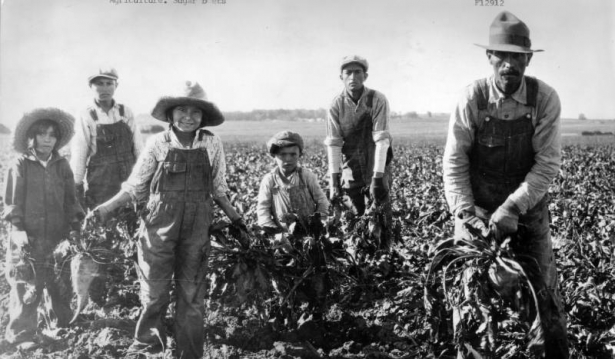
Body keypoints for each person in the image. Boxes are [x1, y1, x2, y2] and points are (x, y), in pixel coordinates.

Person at [90, 81, 247, 359]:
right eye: (182, 110)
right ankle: (147, 350)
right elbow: (135, 186)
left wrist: (237, 220)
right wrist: (105, 208)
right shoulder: (157, 143)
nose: (188, 117)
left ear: (203, 117)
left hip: (197, 228)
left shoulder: (212, 143)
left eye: (195, 112)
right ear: (171, 114)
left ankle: (189, 354)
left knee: (192, 294)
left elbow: (219, 188)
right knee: (154, 292)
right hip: (158, 226)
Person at [442, 11, 568, 358]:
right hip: (477, 207)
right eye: (503, 56)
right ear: (489, 57)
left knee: (543, 295)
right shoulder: (472, 98)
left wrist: (512, 207)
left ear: (528, 59)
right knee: (468, 295)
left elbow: (546, 165)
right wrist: (467, 213)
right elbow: (454, 162)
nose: (509, 64)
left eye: (518, 56)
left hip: (526, 209)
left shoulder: (544, 99)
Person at [2, 108, 82, 349]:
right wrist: (17, 228)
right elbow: (12, 201)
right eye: (42, 134)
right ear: (32, 137)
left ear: (58, 139)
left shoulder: (61, 165)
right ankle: (22, 334)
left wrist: (76, 225)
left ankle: (61, 325)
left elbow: (71, 200)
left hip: (57, 235)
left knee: (60, 281)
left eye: (52, 135)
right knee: (27, 283)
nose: (47, 139)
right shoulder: (21, 164)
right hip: (28, 236)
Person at [325, 55, 394, 217]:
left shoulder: (377, 99)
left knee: (380, 216)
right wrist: (334, 181)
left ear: (365, 76)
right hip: (351, 167)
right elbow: (334, 144)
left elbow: (382, 141)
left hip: (377, 164)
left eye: (357, 72)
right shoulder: (336, 104)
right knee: (354, 218)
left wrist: (377, 179)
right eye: (348, 73)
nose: (353, 77)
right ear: (341, 77)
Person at [70, 66, 142, 210]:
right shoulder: (86, 114)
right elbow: (80, 152)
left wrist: (143, 177)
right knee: (102, 222)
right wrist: (77, 185)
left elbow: (138, 148)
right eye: (99, 84)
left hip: (128, 177)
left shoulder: (125, 112)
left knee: (131, 219)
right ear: (91, 86)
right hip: (101, 180)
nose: (104, 89)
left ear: (116, 85)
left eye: (109, 83)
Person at [257, 130, 329, 234]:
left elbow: (322, 201)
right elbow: (263, 209)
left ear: (300, 154)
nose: (288, 159)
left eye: (293, 154)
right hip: (282, 235)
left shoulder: (307, 176)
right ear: (274, 156)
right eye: (282, 154)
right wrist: (273, 231)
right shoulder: (269, 180)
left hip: (310, 232)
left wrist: (320, 222)